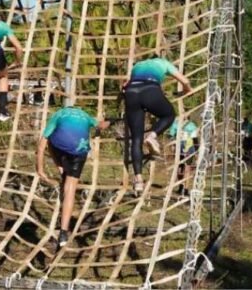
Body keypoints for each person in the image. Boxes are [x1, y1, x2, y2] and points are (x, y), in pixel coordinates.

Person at [36, 106, 109, 248]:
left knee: (51, 139)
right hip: (79, 150)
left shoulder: (59, 113)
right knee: (70, 190)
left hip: (61, 147)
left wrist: (40, 168)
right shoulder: (86, 115)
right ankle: (63, 233)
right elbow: (101, 125)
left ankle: (61, 166)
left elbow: (41, 145)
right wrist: (110, 121)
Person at [122, 56, 192, 194]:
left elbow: (125, 84)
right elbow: (185, 81)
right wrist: (187, 89)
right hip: (150, 89)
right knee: (169, 115)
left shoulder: (138, 65)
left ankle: (138, 181)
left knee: (136, 139)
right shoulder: (164, 63)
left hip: (131, 93)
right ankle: (152, 135)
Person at [168, 118, 198, 194]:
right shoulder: (191, 125)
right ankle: (184, 188)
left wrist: (172, 145)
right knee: (185, 168)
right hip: (187, 146)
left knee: (181, 167)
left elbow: (171, 136)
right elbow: (195, 139)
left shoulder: (175, 123)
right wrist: (197, 150)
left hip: (180, 146)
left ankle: (182, 187)